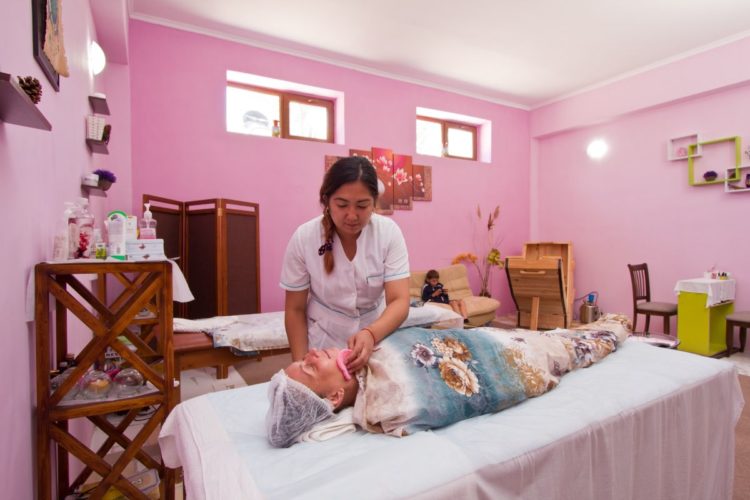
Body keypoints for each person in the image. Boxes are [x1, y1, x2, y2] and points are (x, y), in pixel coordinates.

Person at [266, 318, 629, 447]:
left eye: (302, 358)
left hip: (487, 337)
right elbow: (439, 394)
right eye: (309, 368)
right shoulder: (384, 404)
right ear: (333, 396)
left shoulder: (366, 357)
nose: (310, 354)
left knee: (550, 335)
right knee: (565, 346)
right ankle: (609, 328)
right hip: (509, 358)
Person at [280, 156, 410, 374]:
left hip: (376, 337)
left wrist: (371, 333)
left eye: (362, 205)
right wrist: (302, 368)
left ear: (374, 202)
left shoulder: (388, 233)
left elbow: (399, 300)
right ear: (327, 201)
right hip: (324, 342)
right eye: (341, 205)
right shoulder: (305, 238)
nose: (351, 215)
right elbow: (295, 309)